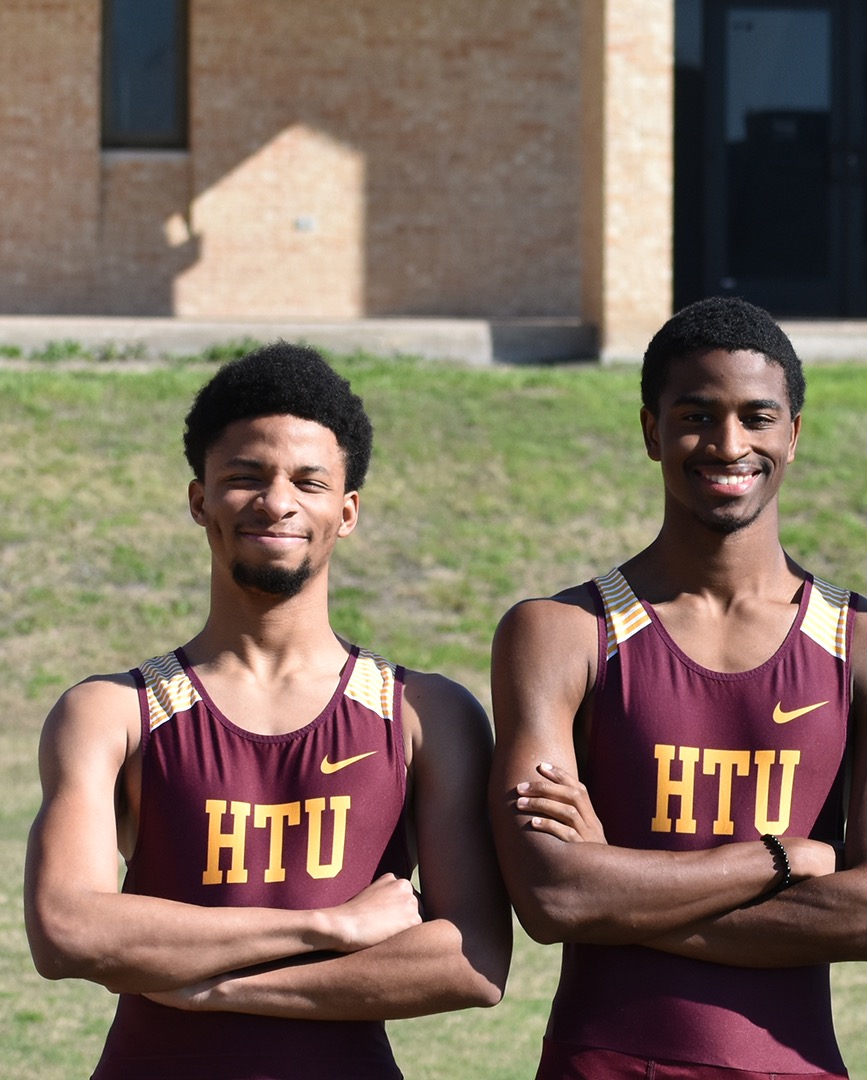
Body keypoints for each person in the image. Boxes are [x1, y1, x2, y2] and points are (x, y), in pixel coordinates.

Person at [24, 343, 510, 1079]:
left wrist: (219, 988)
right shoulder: (110, 712)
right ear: (199, 501)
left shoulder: (424, 713)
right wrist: (329, 925)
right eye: (245, 478)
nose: (276, 502)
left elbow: (470, 963)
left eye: (308, 482)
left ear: (347, 512)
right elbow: (67, 930)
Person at [490, 296, 867, 1080]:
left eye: (757, 418)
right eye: (697, 416)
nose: (730, 444)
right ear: (651, 432)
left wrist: (616, 889)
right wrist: (781, 859)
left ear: (793, 434)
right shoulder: (560, 633)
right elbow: (551, 898)